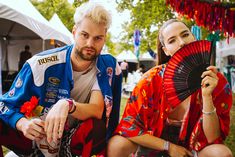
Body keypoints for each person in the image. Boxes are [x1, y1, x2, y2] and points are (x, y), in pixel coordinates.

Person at [0, 2, 122, 157]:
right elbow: (4, 105)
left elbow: (97, 111)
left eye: (98, 38)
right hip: (35, 136)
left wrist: (67, 104)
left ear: (105, 38)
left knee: (96, 128)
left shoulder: (108, 66)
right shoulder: (39, 64)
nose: (90, 44)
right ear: (74, 32)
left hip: (72, 142)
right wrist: (23, 124)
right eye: (84, 35)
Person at [107, 19, 233, 157]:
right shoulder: (151, 80)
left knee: (221, 153)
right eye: (172, 40)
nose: (182, 42)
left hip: (193, 150)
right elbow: (127, 127)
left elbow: (213, 138)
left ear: (194, 37)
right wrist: (169, 147)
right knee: (117, 144)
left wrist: (207, 96)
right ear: (165, 50)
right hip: (153, 146)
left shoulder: (216, 81)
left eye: (185, 35)